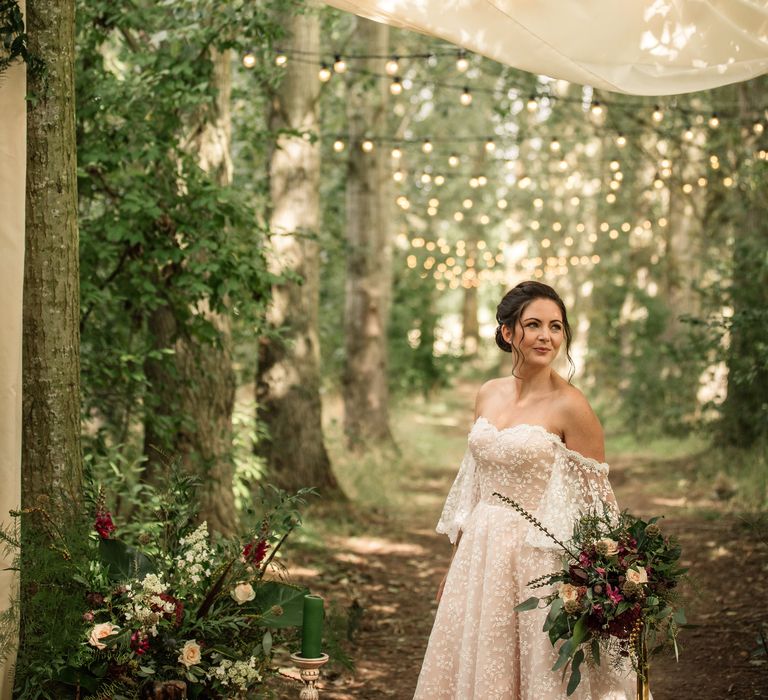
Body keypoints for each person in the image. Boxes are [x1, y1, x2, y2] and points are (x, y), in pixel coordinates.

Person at [413, 281, 636, 700]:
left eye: (555, 326)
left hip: (540, 558)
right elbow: (475, 484)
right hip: (480, 554)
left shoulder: (572, 405)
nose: (546, 336)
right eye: (533, 325)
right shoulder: (487, 393)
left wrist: (604, 584)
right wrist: (455, 560)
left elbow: (597, 503)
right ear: (508, 332)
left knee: (538, 670)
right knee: (481, 665)